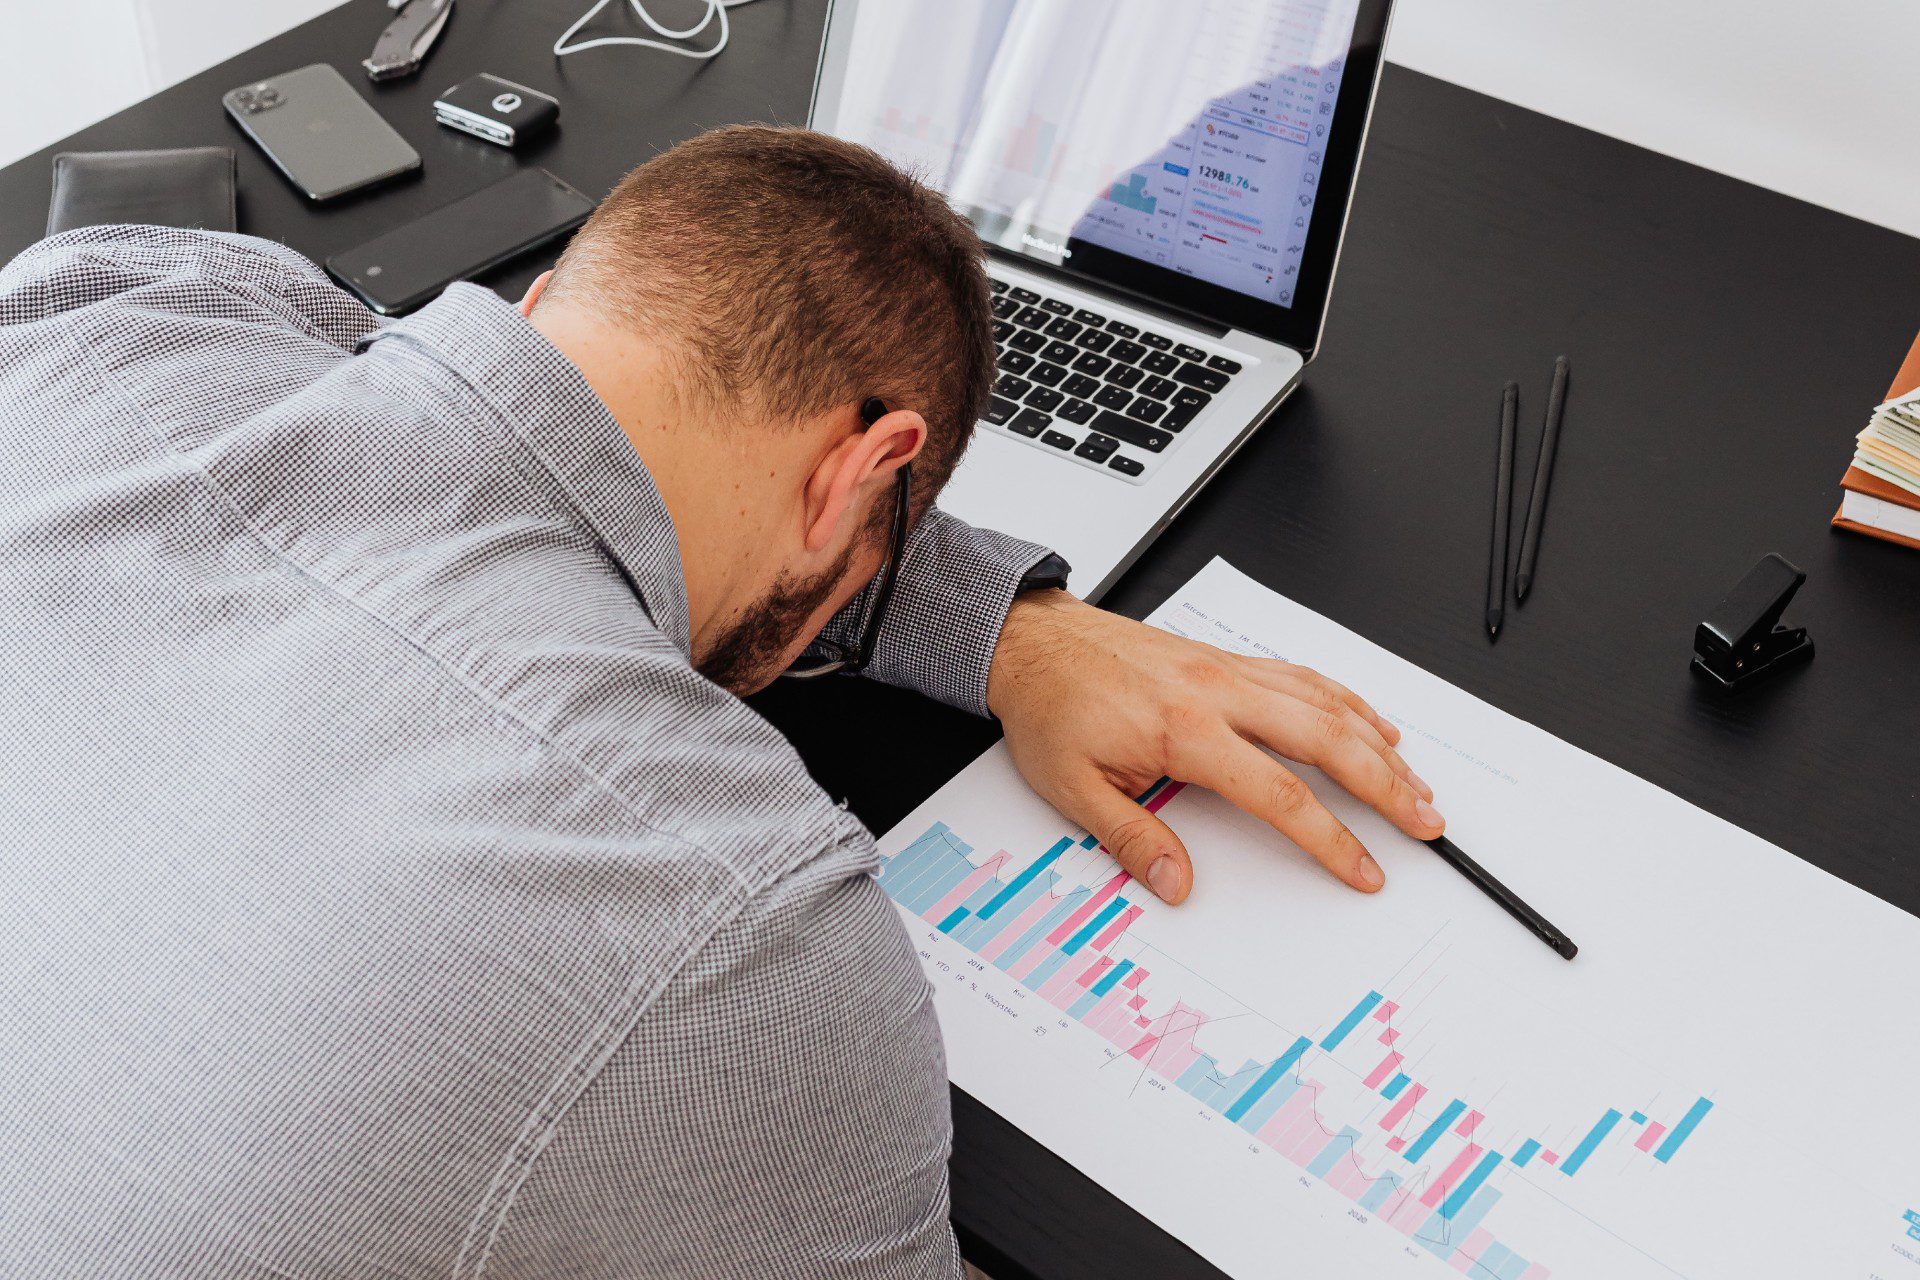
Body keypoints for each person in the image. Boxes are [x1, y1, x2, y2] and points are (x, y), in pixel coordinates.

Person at [0, 126, 1443, 1278]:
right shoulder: (744, 946)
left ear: (548, 295)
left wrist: (1011, 629)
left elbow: (471, 393)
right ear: (859, 475)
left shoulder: (111, 302)